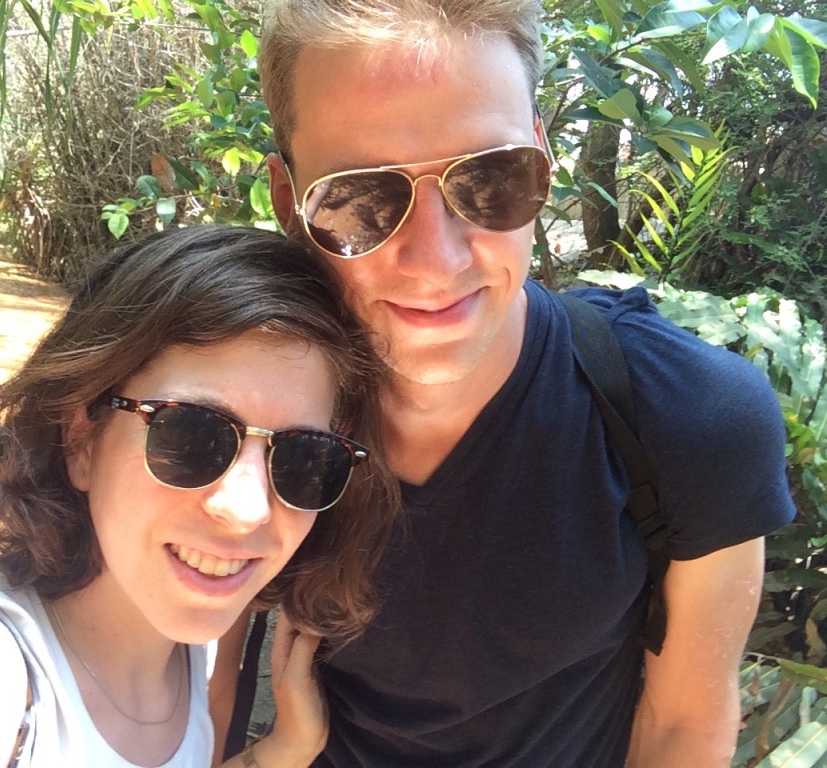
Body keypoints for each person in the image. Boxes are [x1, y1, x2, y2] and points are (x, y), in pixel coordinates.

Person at [225, 1, 798, 765]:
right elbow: (186, 694)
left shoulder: (689, 416)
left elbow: (682, 725)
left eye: (489, 178)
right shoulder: (241, 420)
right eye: (360, 198)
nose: (436, 261)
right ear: (288, 201)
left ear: (541, 158)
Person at [0, 225, 398, 768]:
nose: (246, 511)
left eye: (303, 458)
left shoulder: (193, 652)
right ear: (81, 440)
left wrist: (286, 749)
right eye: (190, 435)